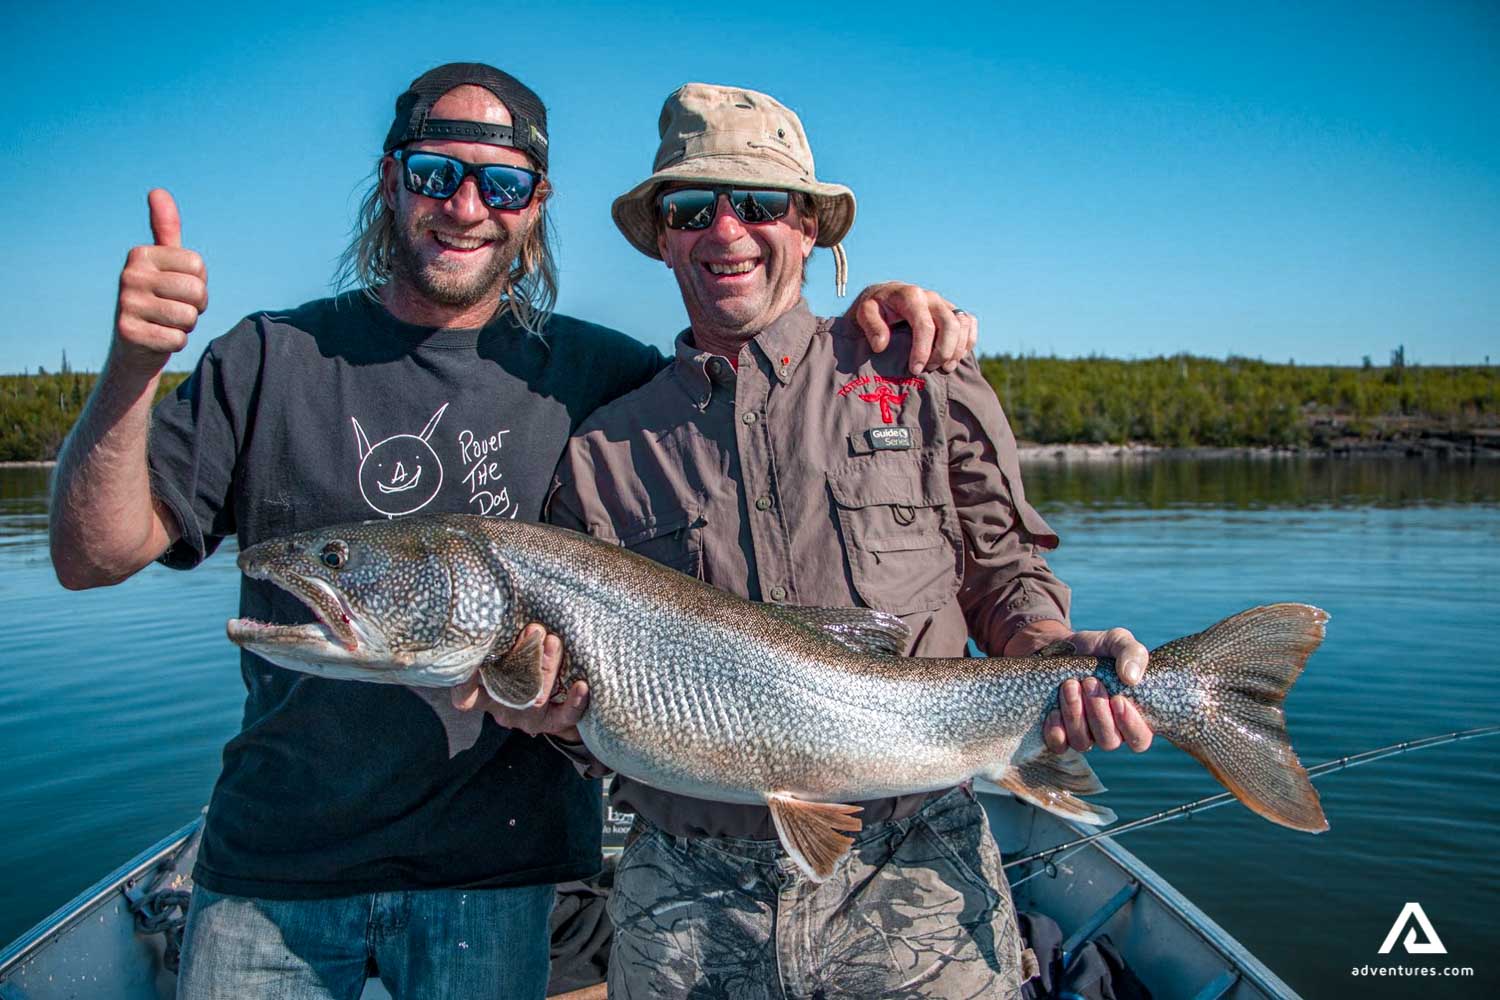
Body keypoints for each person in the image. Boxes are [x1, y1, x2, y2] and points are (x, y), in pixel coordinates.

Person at [47, 64, 975, 999]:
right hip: (272, 877)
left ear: (534, 206)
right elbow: (92, 557)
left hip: (505, 876)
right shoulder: (267, 358)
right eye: (433, 173)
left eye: (500, 184)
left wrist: (873, 322)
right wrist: (133, 369)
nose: (464, 206)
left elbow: (749, 380)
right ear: (389, 180)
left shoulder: (596, 375)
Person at [531, 83, 1156, 999]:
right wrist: (553, 713)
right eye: (692, 207)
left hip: (917, 873)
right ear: (662, 236)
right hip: (684, 900)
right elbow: (587, 721)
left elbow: (1005, 573)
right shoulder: (599, 452)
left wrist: (1055, 657)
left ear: (811, 227)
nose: (726, 230)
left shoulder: (919, 370)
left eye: (760, 203)